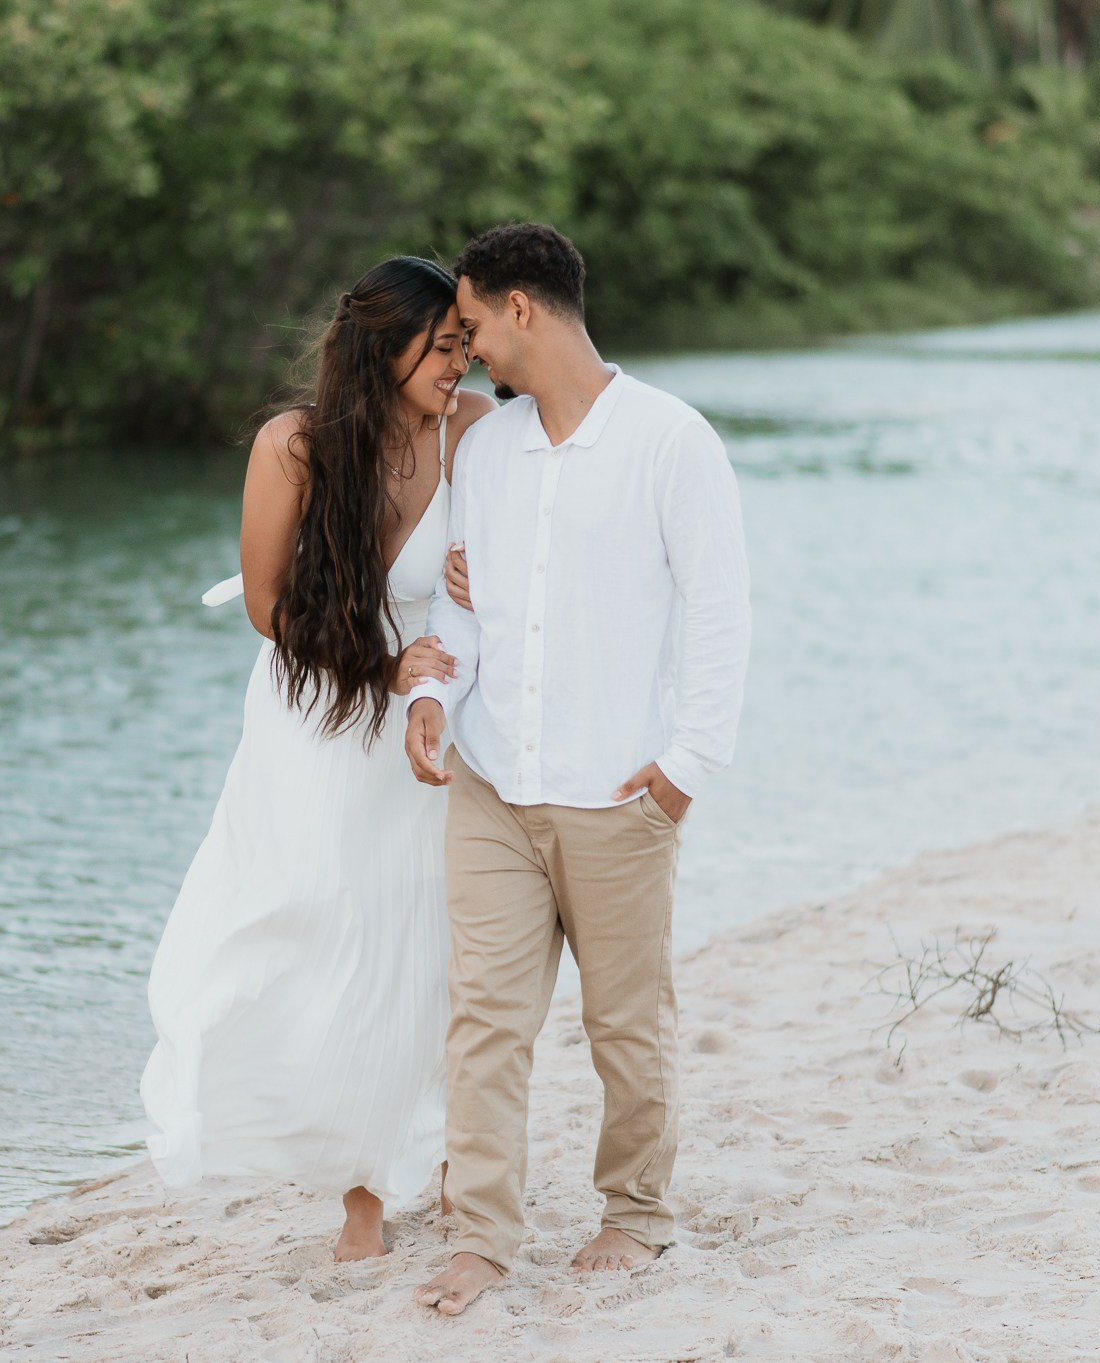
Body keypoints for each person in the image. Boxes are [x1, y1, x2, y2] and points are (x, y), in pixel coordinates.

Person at [404, 222, 751, 1314]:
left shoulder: (668, 438)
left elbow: (719, 609)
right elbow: (462, 608)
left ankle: (635, 1213)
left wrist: (685, 764)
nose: (467, 352)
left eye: (471, 325)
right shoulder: (488, 450)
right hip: (493, 784)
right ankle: (483, 1237)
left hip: (615, 790)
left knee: (623, 1019)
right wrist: (429, 693)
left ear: (522, 309)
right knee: (485, 1019)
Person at [142, 256, 499, 1261]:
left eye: (465, 344)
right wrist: (378, 666)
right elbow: (267, 606)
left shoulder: (470, 430)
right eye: (440, 347)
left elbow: (550, 503)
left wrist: (491, 575)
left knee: (418, 940)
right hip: (321, 705)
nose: (459, 363)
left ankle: (377, 1193)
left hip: (431, 705)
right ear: (383, 348)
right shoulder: (291, 444)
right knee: (316, 925)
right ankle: (313, 1139)